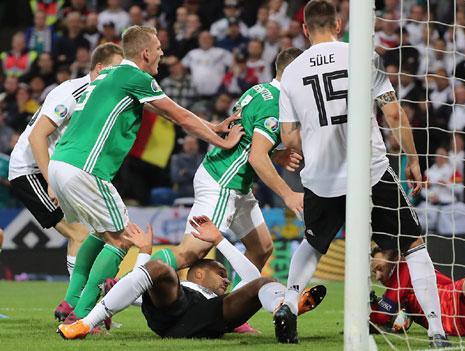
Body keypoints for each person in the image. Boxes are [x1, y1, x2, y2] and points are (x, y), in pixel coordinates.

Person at [277, 0, 449, 346]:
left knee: (312, 243)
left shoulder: (292, 71)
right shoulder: (363, 55)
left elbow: (288, 137)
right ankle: (437, 329)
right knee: (413, 244)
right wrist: (413, 160)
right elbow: (395, 114)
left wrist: (309, 145)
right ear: (339, 25)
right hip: (369, 173)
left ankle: (288, 305)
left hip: (322, 178)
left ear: (305, 29)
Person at [49, 25, 243, 325]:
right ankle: (83, 316)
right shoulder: (135, 76)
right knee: (122, 238)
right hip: (86, 168)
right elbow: (178, 115)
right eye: (159, 48)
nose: (162, 53)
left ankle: (70, 304)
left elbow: (168, 112)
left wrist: (213, 126)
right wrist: (221, 140)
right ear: (146, 52)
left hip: (61, 162)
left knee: (101, 234)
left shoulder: (108, 75)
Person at [58, 216, 326, 340]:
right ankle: (84, 324)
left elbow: (251, 277)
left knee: (264, 283)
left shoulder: (221, 297)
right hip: (174, 312)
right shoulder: (181, 286)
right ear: (198, 273)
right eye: (220, 273)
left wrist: (220, 240)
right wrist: (145, 252)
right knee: (161, 266)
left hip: (213, 317)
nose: (227, 280)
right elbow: (140, 286)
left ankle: (286, 307)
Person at [8, 43, 124, 279]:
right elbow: (37, 136)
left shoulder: (99, 97)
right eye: (116, 69)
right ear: (99, 68)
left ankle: (86, 306)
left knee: (93, 234)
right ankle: (76, 307)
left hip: (59, 169)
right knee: (79, 234)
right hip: (30, 170)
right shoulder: (72, 93)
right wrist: (51, 182)